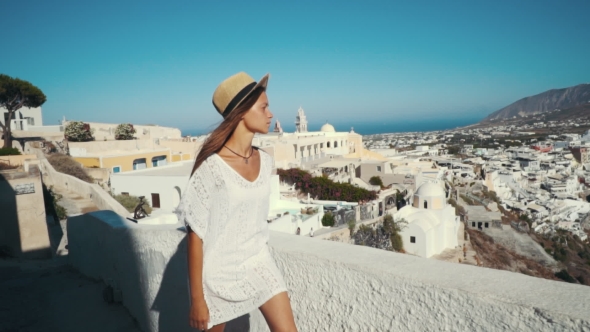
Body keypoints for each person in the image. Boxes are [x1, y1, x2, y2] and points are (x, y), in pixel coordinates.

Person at [176, 72, 297, 332]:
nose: (271, 114)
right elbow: (195, 236)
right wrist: (197, 300)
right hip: (218, 276)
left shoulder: (266, 161)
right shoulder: (211, 169)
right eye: (264, 107)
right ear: (242, 112)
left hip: (259, 263)